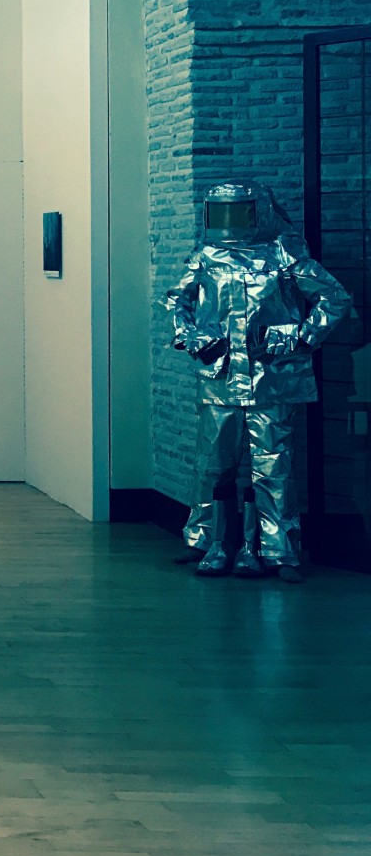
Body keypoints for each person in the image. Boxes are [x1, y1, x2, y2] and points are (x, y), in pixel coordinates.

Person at [164, 181, 351, 581]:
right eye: (221, 212)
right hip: (220, 378)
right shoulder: (207, 255)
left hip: (273, 379)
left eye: (239, 212)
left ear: (260, 211)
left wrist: (298, 335)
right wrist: (192, 336)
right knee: (212, 465)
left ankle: (278, 551)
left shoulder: (286, 253)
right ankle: (208, 541)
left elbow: (334, 298)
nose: (229, 222)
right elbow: (175, 301)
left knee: (274, 466)